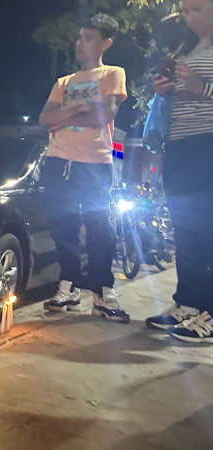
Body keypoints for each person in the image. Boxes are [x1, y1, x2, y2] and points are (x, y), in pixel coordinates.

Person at [38, 13, 129, 322]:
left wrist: (66, 113)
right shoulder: (63, 82)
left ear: (106, 43)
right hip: (58, 159)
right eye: (79, 37)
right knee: (62, 226)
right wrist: (81, 108)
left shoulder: (112, 73)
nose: (80, 43)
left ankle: (103, 292)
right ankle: (69, 285)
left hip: (95, 162)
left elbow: (105, 114)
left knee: (99, 227)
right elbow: (45, 119)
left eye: (88, 38)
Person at [146, 0, 213, 341]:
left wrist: (201, 87)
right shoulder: (185, 51)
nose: (189, 16)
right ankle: (188, 302)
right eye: (186, 10)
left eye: (196, 8)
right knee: (186, 231)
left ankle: (210, 312)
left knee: (207, 230)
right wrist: (162, 90)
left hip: (207, 146)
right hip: (179, 148)